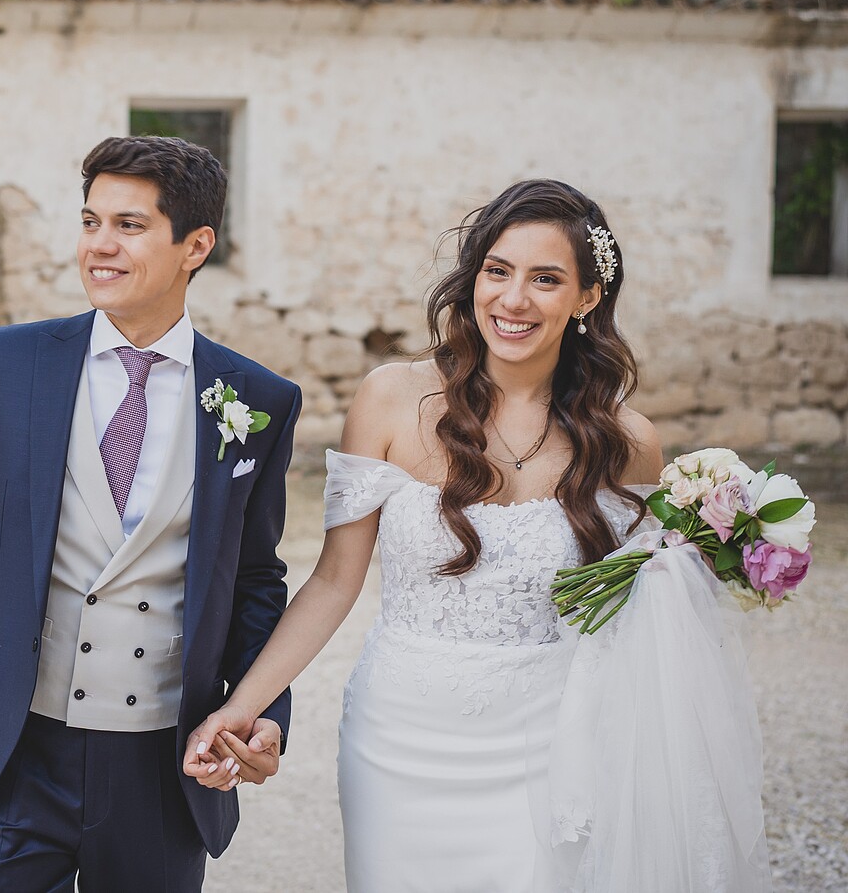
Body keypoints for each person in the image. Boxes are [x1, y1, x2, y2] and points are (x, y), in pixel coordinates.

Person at [0, 135, 303, 891]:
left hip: (163, 767)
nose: (100, 246)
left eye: (129, 226)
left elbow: (255, 580)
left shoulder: (257, 400)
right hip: (10, 754)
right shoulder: (6, 363)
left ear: (197, 245)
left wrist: (265, 712)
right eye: (91, 222)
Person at [182, 178, 666, 891]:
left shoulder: (628, 443)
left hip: (556, 742)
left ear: (588, 297)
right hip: (399, 737)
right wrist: (238, 707)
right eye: (497, 271)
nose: (513, 299)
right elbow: (334, 580)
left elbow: (636, 619)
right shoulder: (389, 398)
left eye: (546, 279)